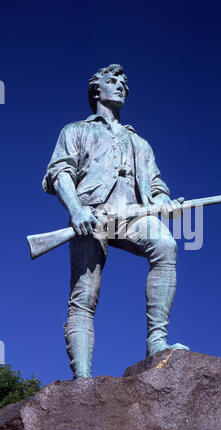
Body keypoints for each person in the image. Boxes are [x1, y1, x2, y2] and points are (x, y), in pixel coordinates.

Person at [42, 64, 189, 379]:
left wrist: (165, 201)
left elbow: (156, 186)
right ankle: (82, 377)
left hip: (133, 214)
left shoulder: (140, 143)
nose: (121, 85)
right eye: (113, 81)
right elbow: (59, 173)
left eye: (125, 82)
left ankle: (156, 342)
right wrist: (77, 209)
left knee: (166, 245)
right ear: (97, 90)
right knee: (84, 295)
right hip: (91, 216)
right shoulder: (76, 130)